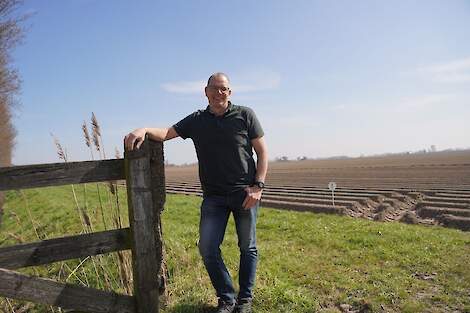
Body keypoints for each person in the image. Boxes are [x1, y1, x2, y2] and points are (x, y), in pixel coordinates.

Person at [124, 72, 268, 313]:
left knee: (248, 247)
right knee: (208, 248)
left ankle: (245, 301)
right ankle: (227, 298)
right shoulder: (197, 120)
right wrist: (144, 129)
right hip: (213, 197)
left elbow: (262, 152)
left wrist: (258, 187)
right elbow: (167, 133)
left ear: (230, 93)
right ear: (206, 91)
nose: (219, 93)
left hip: (245, 193)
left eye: (224, 89)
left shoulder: (245, 115)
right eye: (215, 88)